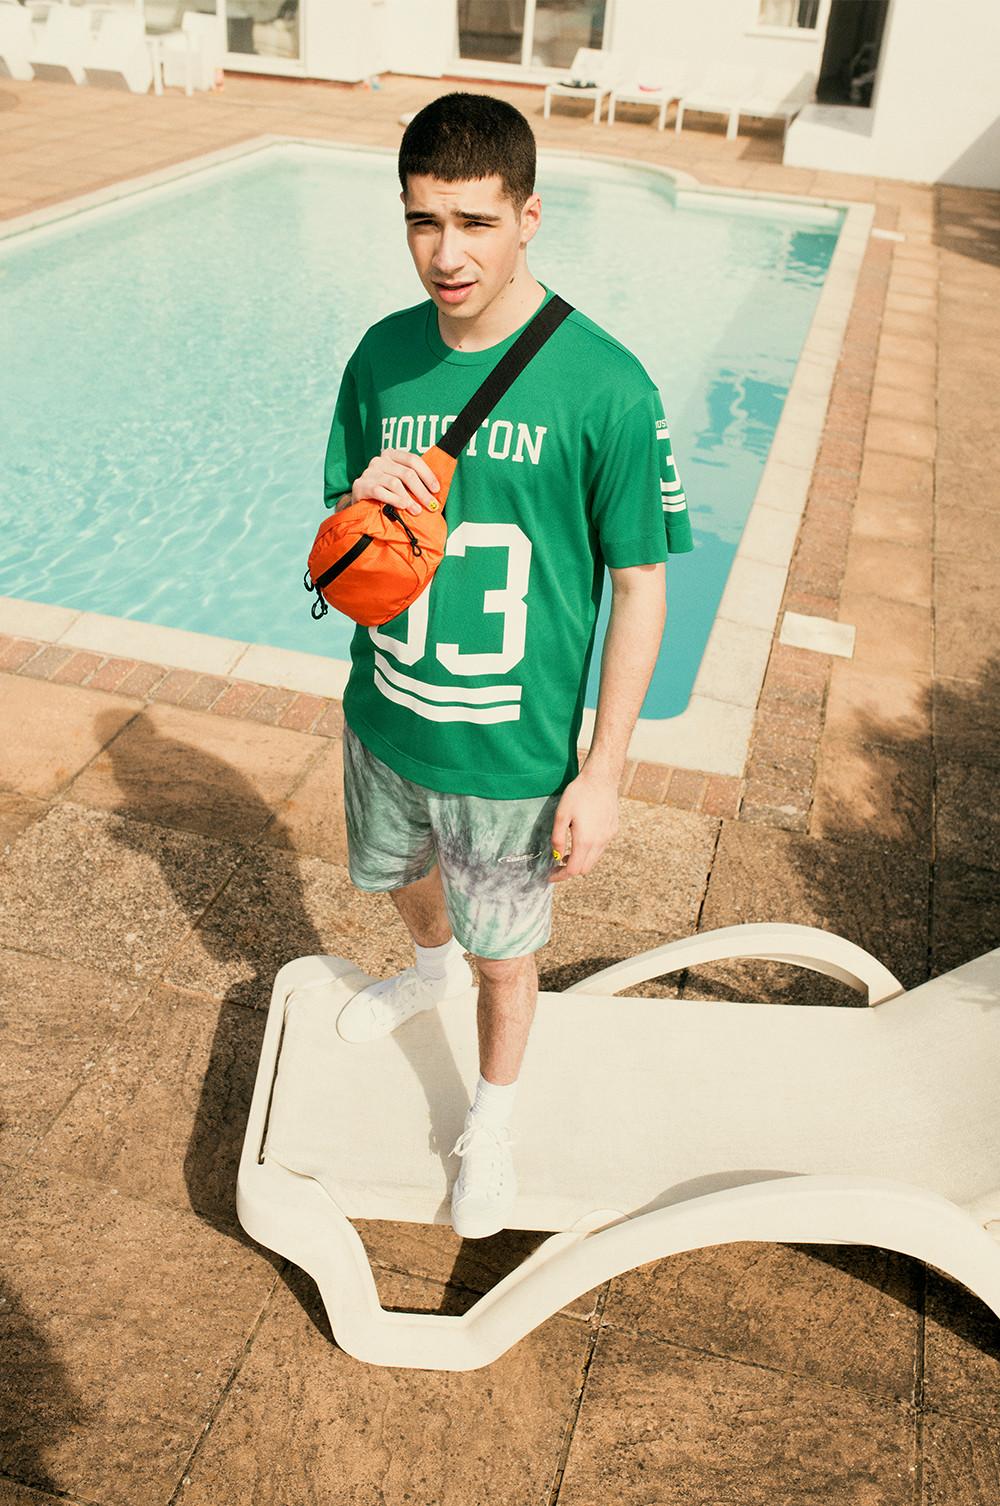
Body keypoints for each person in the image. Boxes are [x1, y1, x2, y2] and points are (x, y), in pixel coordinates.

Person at [322, 91, 692, 1240]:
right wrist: (353, 504)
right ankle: (424, 969)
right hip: (385, 714)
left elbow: (640, 584)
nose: (446, 253)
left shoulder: (608, 388)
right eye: (423, 221)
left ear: (529, 217)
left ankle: (492, 1118)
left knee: (509, 960)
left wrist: (606, 769)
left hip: (516, 754)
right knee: (394, 878)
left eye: (474, 223)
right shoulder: (381, 356)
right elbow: (335, 534)